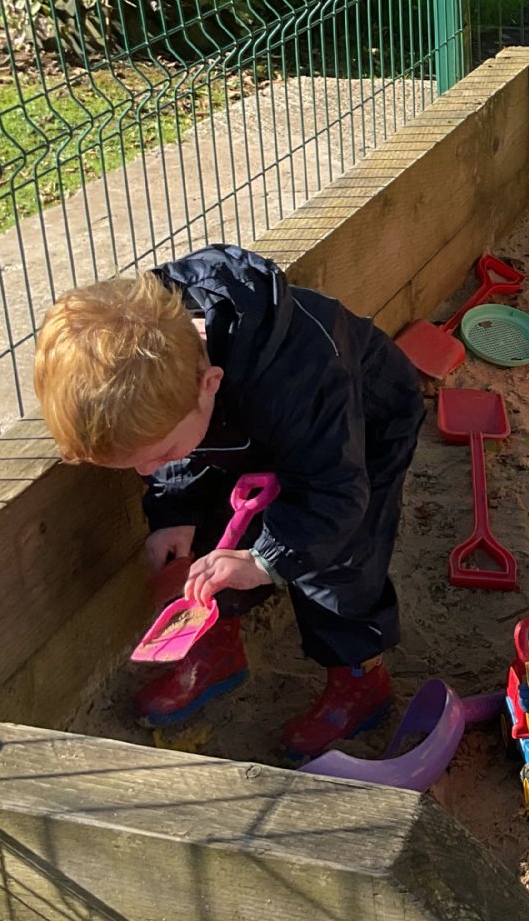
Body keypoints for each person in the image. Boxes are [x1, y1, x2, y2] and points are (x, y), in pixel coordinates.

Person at [33, 244, 423, 761]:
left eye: (159, 456)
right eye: (135, 465)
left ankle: (359, 681)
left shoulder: (299, 373)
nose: (147, 471)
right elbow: (175, 443)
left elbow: (335, 492)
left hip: (357, 435)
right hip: (240, 427)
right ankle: (218, 649)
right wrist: (173, 512)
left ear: (209, 384)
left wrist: (265, 561)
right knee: (215, 532)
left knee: (336, 557)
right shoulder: (163, 368)